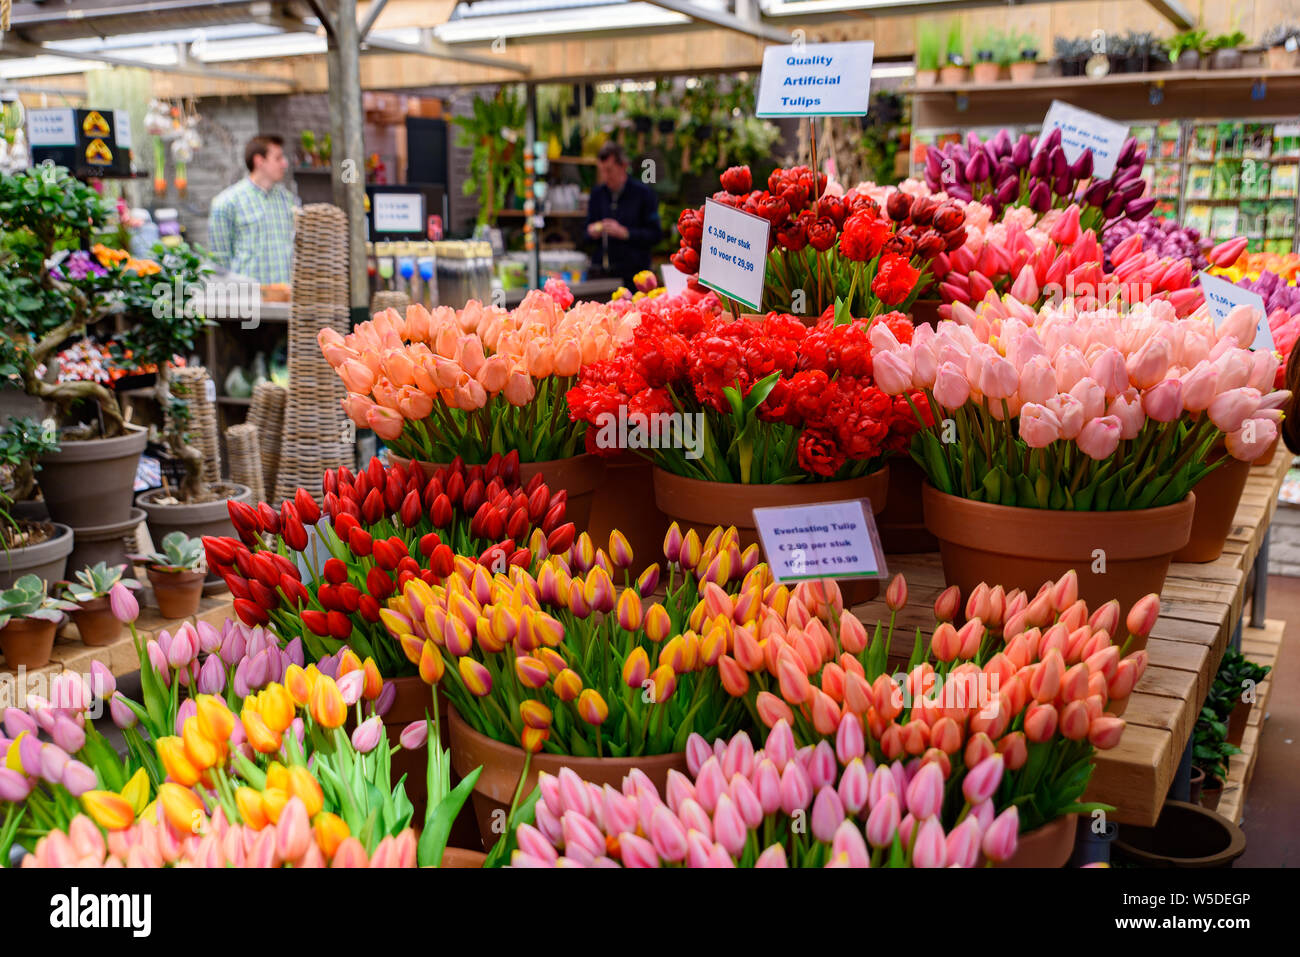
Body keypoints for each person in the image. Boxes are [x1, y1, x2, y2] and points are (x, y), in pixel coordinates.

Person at [208, 134, 296, 285]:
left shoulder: (287, 200)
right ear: (259, 161)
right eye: (278, 158)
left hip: (286, 299)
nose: (284, 164)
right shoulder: (226, 203)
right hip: (249, 302)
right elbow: (219, 264)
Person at [585, 141, 661, 288]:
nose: (605, 176)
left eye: (609, 170)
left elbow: (655, 235)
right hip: (602, 275)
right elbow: (584, 235)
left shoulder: (644, 194)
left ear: (624, 166)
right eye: (601, 171)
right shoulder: (597, 194)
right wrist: (591, 231)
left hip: (633, 276)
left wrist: (626, 233)